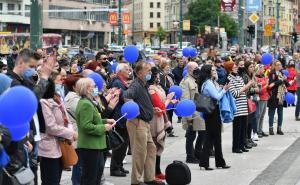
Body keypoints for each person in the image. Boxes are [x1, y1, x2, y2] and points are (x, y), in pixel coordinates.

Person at [124, 61, 164, 185]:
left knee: (151, 149)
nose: (150, 73)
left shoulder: (144, 84)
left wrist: (152, 109)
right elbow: (127, 96)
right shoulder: (136, 85)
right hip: (138, 122)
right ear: (140, 72)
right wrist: (135, 112)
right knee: (139, 153)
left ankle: (149, 178)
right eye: (148, 71)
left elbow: (141, 102)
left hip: (145, 123)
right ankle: (135, 181)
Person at [75, 78, 115, 185]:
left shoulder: (89, 102)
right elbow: (86, 126)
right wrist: (104, 127)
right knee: (90, 178)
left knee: (96, 175)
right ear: (87, 89)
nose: (95, 88)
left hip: (95, 145)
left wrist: (106, 121)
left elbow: (94, 120)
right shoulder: (85, 104)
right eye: (93, 86)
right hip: (90, 146)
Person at [39, 77, 77, 185]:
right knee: (51, 180)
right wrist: (71, 133)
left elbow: (67, 119)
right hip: (49, 147)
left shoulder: (57, 98)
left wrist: (70, 131)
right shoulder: (42, 102)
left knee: (56, 178)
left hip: (62, 144)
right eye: (59, 79)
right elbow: (51, 127)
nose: (62, 82)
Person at [197, 64, 230, 170]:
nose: (215, 71)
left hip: (210, 112)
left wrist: (220, 89)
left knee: (209, 138)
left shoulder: (207, 82)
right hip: (212, 112)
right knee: (215, 138)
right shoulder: (208, 83)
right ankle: (219, 162)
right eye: (212, 70)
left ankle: (205, 163)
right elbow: (217, 97)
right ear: (208, 72)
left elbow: (215, 94)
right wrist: (224, 89)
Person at [148, 67, 176, 180]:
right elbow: (159, 105)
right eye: (158, 75)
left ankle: (157, 171)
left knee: (159, 146)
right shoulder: (151, 89)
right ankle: (153, 173)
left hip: (161, 117)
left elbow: (162, 104)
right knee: (155, 145)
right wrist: (168, 99)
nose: (159, 77)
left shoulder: (158, 87)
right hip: (155, 120)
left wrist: (171, 101)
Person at [224, 61, 253, 153]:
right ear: (229, 69)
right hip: (237, 107)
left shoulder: (239, 77)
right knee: (237, 128)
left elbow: (243, 90)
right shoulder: (229, 79)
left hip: (243, 106)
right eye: (234, 67)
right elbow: (235, 94)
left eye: (236, 66)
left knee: (243, 128)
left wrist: (249, 86)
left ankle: (242, 145)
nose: (236, 68)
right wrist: (246, 86)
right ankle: (235, 147)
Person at [180, 62, 205, 163]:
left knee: (202, 133)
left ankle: (198, 153)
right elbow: (185, 100)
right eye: (195, 68)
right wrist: (188, 117)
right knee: (191, 135)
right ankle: (190, 156)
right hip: (191, 113)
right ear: (189, 70)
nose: (197, 70)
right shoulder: (186, 82)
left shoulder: (196, 79)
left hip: (199, 112)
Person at [110, 63, 131, 177]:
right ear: (119, 72)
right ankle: (114, 168)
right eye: (126, 70)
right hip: (119, 117)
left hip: (124, 117)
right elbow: (123, 96)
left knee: (125, 144)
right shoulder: (117, 82)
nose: (129, 71)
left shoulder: (122, 82)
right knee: (120, 145)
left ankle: (119, 166)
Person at [64, 75, 82, 185]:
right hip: (77, 135)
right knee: (79, 164)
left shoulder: (75, 97)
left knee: (79, 164)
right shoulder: (73, 99)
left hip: (77, 134)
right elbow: (82, 114)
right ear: (75, 87)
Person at [268, 60, 289, 135]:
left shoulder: (282, 73)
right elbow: (271, 84)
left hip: (281, 96)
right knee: (271, 113)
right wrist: (280, 80)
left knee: (280, 113)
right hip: (273, 96)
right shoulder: (271, 73)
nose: (279, 66)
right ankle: (271, 128)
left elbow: (288, 84)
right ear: (274, 65)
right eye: (278, 65)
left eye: (280, 65)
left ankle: (279, 128)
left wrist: (285, 79)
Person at [158, 60, 176, 137]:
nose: (168, 68)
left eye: (169, 67)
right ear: (163, 67)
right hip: (165, 97)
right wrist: (169, 90)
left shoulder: (168, 76)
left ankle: (169, 128)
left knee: (170, 113)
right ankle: (168, 129)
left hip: (169, 97)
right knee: (167, 113)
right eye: (167, 66)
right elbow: (162, 86)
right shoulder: (161, 76)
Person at [255, 64, 269, 138]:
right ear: (258, 69)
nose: (264, 69)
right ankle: (257, 131)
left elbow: (267, 86)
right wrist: (266, 86)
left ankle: (260, 130)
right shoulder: (256, 78)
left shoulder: (264, 76)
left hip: (265, 97)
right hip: (260, 98)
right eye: (262, 68)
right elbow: (259, 90)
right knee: (258, 116)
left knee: (262, 116)